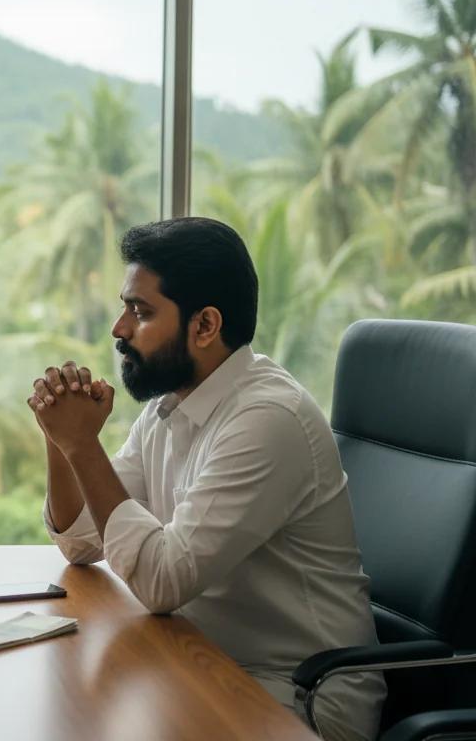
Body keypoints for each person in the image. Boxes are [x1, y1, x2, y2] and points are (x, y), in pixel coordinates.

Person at [28, 217, 385, 741]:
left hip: (300, 699)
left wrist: (83, 443)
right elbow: (82, 541)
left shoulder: (267, 420)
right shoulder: (173, 404)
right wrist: (60, 440)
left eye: (140, 311)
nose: (119, 329)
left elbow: (162, 581)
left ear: (205, 325)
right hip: (204, 661)